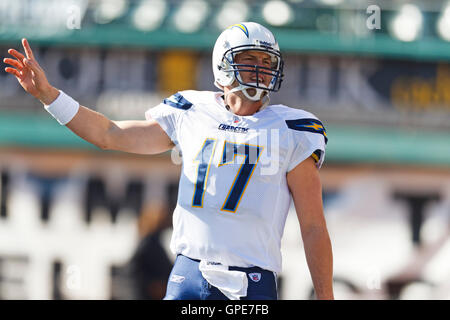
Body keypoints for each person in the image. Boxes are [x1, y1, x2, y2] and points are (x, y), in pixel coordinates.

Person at [3, 22, 334, 300]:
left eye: (266, 61)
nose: (260, 69)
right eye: (249, 60)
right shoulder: (192, 111)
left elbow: (313, 225)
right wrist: (50, 96)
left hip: (252, 284)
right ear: (223, 65)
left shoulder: (293, 129)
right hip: (188, 275)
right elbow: (109, 133)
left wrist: (325, 296)